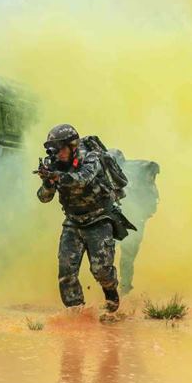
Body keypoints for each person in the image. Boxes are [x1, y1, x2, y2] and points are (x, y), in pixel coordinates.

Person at [36, 124, 131, 312]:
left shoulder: (90, 158)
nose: (58, 154)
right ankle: (76, 313)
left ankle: (111, 294)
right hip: (73, 223)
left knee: (101, 270)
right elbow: (44, 198)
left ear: (72, 145)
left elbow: (81, 179)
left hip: (99, 220)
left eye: (61, 149)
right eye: (55, 150)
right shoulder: (55, 164)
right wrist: (47, 181)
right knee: (66, 272)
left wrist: (57, 177)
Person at [110, 149, 160, 294]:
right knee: (123, 257)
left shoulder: (129, 177)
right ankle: (121, 289)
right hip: (129, 220)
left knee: (117, 255)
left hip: (130, 220)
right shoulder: (130, 174)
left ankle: (120, 290)